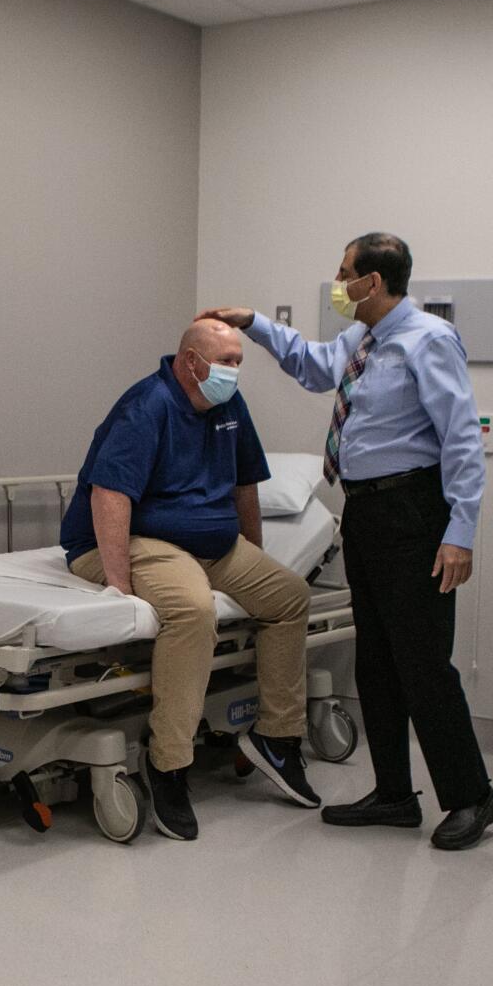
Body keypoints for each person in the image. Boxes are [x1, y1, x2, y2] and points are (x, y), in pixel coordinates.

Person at [202, 232, 493, 850]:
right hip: (365, 512)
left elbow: (462, 441)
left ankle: (472, 796)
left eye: (344, 274)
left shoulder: (428, 341)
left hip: (415, 513)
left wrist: (460, 533)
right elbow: (312, 365)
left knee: (423, 665)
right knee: (377, 663)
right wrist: (253, 324)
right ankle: (394, 792)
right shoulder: (362, 340)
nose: (337, 284)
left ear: (373, 281)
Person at [61, 319, 316, 842]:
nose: (233, 371)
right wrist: (120, 587)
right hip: (133, 541)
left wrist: (253, 560)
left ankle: (276, 737)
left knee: (289, 597)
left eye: (238, 361)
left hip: (211, 547)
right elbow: (109, 496)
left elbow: (246, 485)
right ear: (191, 362)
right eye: (225, 361)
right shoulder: (147, 405)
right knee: (193, 611)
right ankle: (170, 765)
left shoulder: (228, 407)